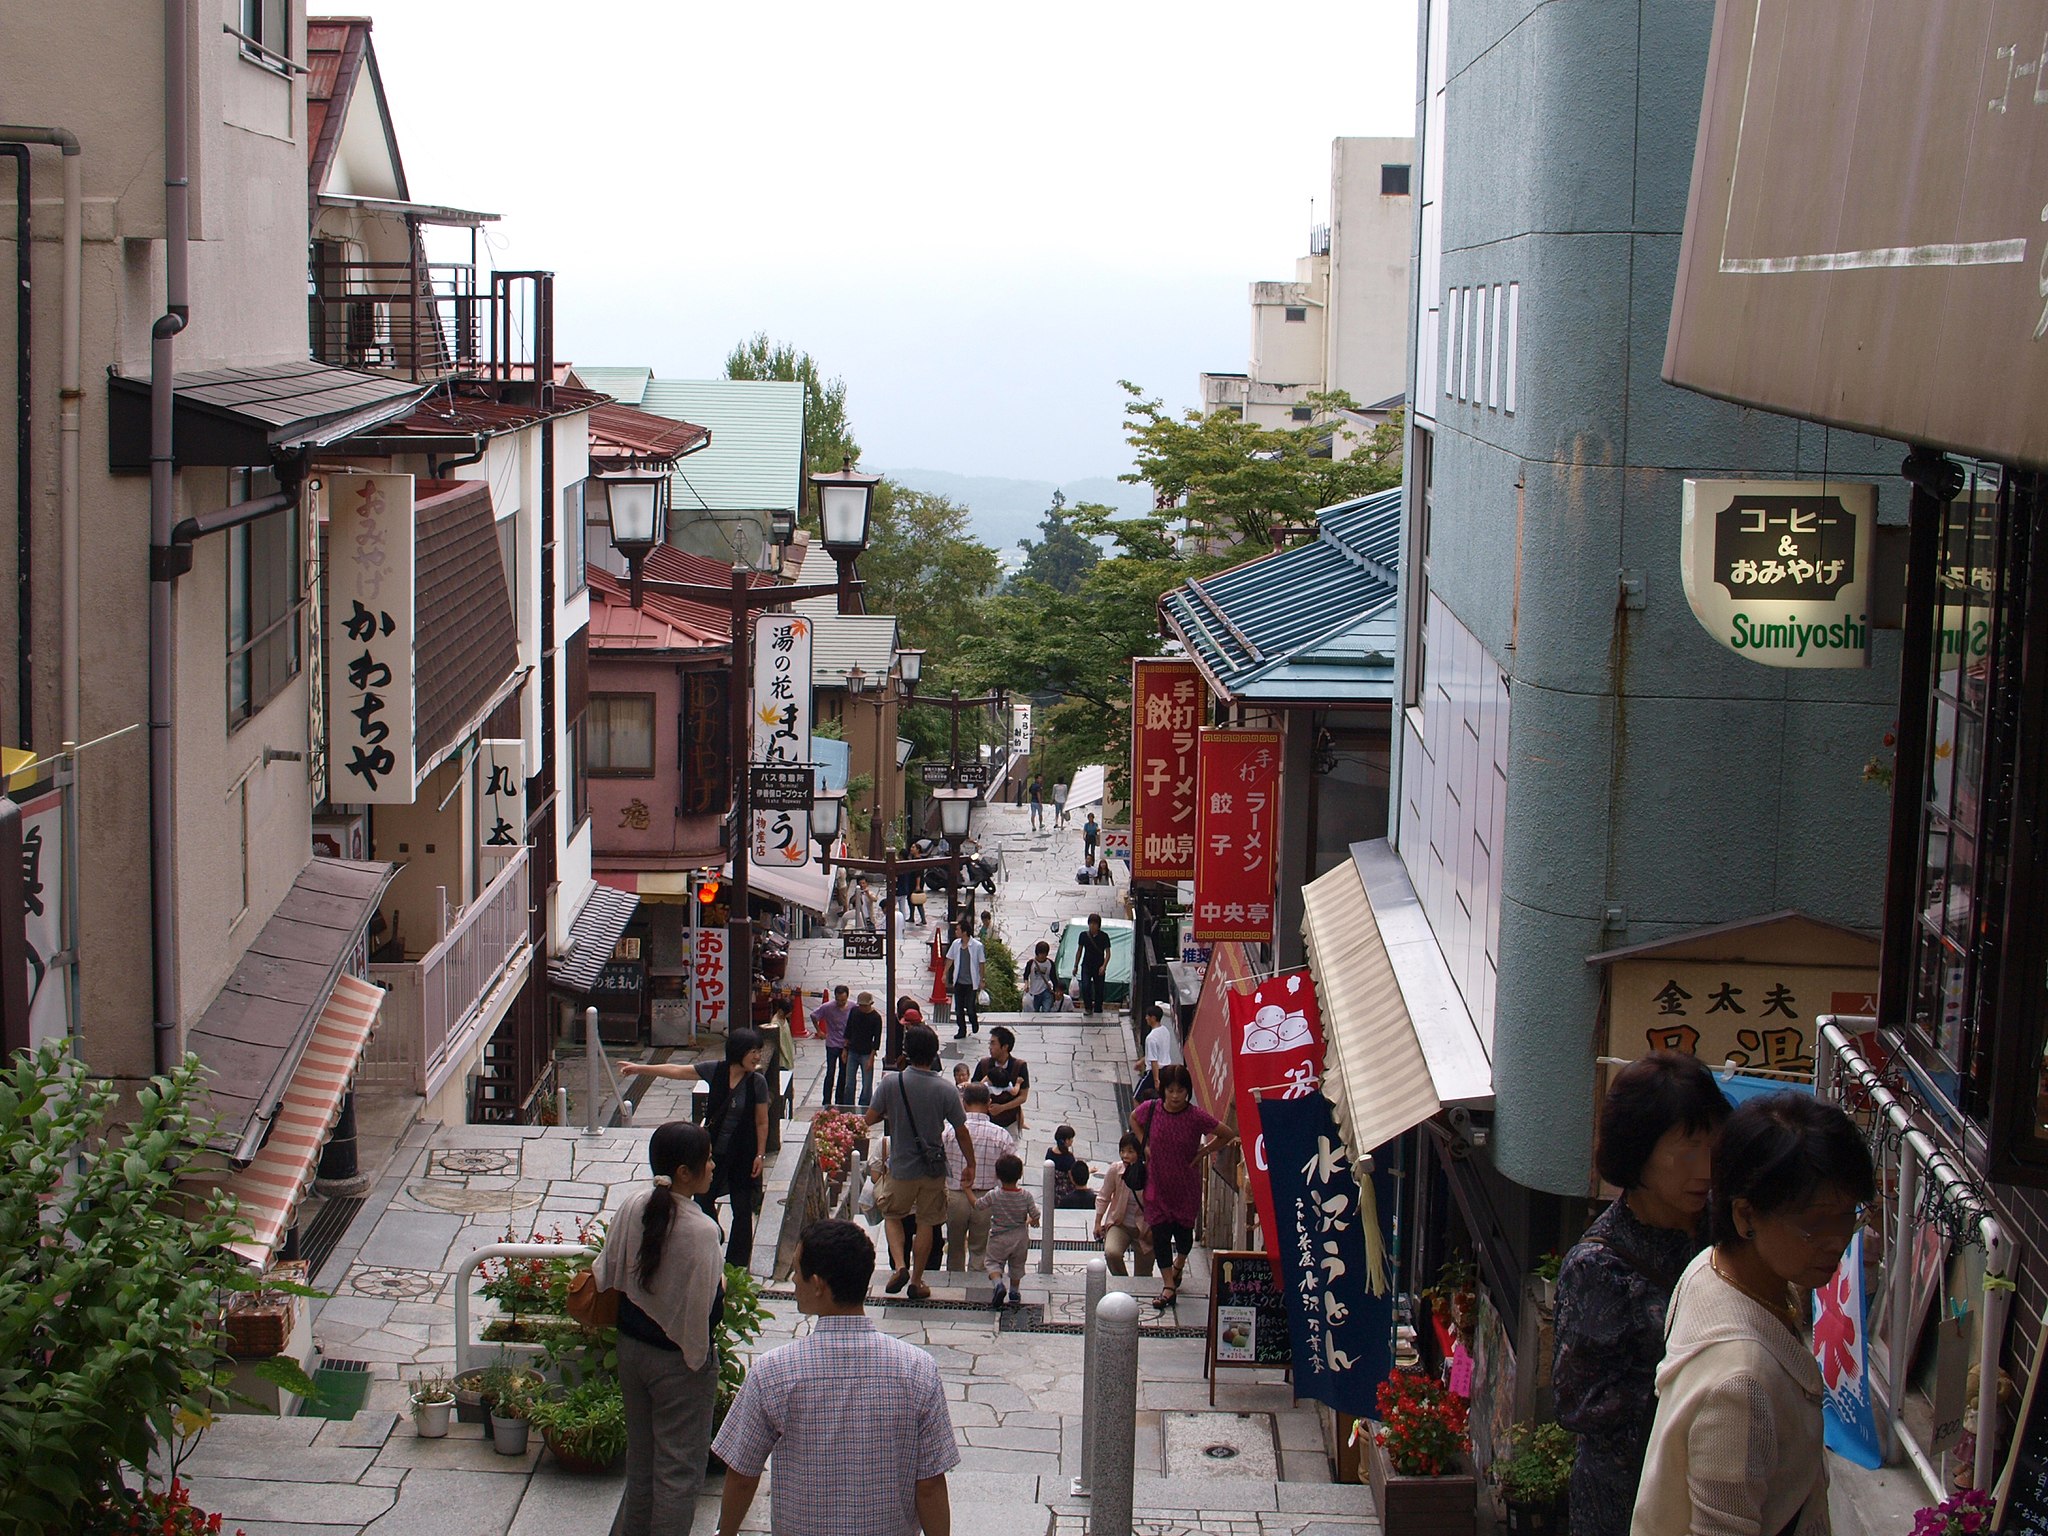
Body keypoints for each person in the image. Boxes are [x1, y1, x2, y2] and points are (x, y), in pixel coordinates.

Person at [1631, 1093, 1875, 1536]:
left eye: (1847, 1218)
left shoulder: (1712, 1269)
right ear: (1746, 1214)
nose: (1836, 1241)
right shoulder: (1742, 1386)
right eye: (1815, 1223)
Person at [1551, 1052, 1729, 1536]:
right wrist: (1694, 1386)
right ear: (1639, 1153)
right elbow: (1577, 1403)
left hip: (1714, 1483)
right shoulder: (1598, 1268)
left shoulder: (1724, 1228)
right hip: (1626, 1501)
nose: (1705, 1168)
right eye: (1687, 1150)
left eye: (1713, 1146)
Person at [713, 1220, 958, 1536]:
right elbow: (930, 1484)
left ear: (817, 1284)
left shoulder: (773, 1372)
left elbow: (743, 1474)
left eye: (797, 1271)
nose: (794, 1279)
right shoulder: (917, 1370)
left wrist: (726, 1532)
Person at [593, 1121, 725, 1535]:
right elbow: (708, 1311)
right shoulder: (702, 1231)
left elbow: (608, 1271)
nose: (713, 1166)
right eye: (707, 1160)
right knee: (678, 1473)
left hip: (631, 1349)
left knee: (642, 1464)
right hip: (678, 1364)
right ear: (685, 1172)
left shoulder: (634, 1204)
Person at [617, 1032, 772, 1270]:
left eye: (759, 1051)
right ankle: (713, 1237)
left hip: (743, 1154)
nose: (757, 1056)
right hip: (712, 1153)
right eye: (753, 1051)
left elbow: (762, 1121)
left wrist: (760, 1155)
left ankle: (736, 1267)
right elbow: (678, 1071)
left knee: (742, 1211)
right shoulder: (716, 1070)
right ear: (739, 1051)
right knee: (703, 1199)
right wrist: (639, 1068)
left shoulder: (757, 1082)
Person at [864, 1024, 974, 1300]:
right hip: (933, 1169)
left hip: (901, 1166)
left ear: (907, 1052)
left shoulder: (891, 1083)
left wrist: (891, 1113)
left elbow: (870, 1118)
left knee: (892, 1215)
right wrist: (970, 1164)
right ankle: (916, 1280)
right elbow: (961, 1130)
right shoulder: (946, 1089)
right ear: (934, 1053)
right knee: (927, 1223)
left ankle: (900, 1265)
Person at [1132, 1064, 1234, 1307]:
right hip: (1157, 1185)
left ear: (1187, 1091)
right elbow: (1134, 1118)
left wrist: (1204, 1152)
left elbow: (1227, 1133)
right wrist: (1144, 1145)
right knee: (1160, 1235)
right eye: (1171, 1090)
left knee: (1184, 1236)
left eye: (1181, 1090)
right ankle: (1168, 1285)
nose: (1176, 1096)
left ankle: (1179, 1264)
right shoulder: (1152, 1109)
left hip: (1185, 1187)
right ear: (1163, 1090)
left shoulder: (1196, 1116)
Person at [945, 1083, 1018, 1275]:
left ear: (964, 1103)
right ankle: (976, 1282)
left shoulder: (949, 1132)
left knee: (954, 1246)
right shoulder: (1001, 1135)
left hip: (955, 1195)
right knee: (981, 1249)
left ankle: (954, 1282)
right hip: (987, 1197)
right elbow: (1011, 1171)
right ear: (989, 1103)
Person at [978, 1153, 1039, 1309]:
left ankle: (998, 1284)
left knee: (992, 1262)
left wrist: (967, 1190)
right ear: (1020, 1174)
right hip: (1020, 1237)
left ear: (998, 1175)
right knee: (1017, 1265)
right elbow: (1035, 1214)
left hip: (998, 1237)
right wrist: (1033, 1221)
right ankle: (1014, 1292)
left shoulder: (994, 1195)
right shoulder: (1026, 1196)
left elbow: (979, 1205)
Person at [1095, 1133, 1155, 1277]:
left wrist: (1155, 1229)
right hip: (1120, 1223)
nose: (1125, 1156)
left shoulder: (1152, 1174)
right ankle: (1122, 1281)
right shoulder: (1116, 1170)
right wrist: (1098, 1222)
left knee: (1143, 1275)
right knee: (1112, 1253)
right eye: (1122, 1151)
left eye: (1130, 1151)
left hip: (1145, 1228)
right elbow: (1104, 1196)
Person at [973, 1026, 1030, 1133]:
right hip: (985, 1122)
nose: (990, 1047)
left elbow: (1023, 1097)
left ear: (1005, 1047)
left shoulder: (1019, 1066)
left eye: (993, 1043)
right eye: (990, 1043)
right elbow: (974, 1091)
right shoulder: (984, 1064)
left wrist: (1002, 1107)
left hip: (1010, 1122)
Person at [812, 984, 854, 1106]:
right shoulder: (828, 1007)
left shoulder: (853, 1006)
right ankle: (826, 1100)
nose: (840, 1003)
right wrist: (819, 1031)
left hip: (845, 1045)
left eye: (843, 1000)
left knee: (843, 1073)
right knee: (830, 1072)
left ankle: (839, 1100)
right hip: (832, 1044)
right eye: (838, 1000)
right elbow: (814, 1015)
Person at [945, 916, 985, 1039]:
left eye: (958, 929)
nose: (956, 931)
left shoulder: (977, 946)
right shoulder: (955, 944)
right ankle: (961, 1030)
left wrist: (982, 979)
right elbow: (950, 959)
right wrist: (944, 973)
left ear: (964, 932)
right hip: (959, 981)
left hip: (971, 982)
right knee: (958, 1008)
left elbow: (981, 963)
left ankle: (973, 1021)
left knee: (970, 1007)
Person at [845, 991, 884, 1108]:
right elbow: (848, 1030)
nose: (862, 1008)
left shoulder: (876, 1017)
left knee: (867, 1084)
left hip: (866, 1053)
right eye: (861, 1005)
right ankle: (848, 1106)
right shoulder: (854, 1011)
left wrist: (872, 1057)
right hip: (853, 1050)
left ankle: (864, 1106)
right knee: (849, 1083)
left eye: (865, 1006)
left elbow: (877, 1039)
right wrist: (845, 1049)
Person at [1077, 912, 1113, 1016]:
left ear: (1098, 925)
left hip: (1099, 965)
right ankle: (1088, 1007)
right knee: (1085, 986)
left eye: (1095, 924)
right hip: (1086, 965)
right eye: (1091, 923)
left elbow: (1108, 953)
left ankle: (1098, 1008)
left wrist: (1104, 966)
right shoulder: (1083, 935)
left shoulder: (1104, 936)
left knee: (1099, 988)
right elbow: (1079, 950)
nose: (1092, 926)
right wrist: (1075, 965)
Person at [1022, 940, 1057, 1013]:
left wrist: (1055, 991)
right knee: (1035, 1012)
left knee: (1046, 1010)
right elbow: (1026, 975)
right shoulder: (1031, 963)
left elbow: (1054, 978)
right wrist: (1026, 984)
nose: (1042, 956)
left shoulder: (1050, 963)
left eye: (1044, 954)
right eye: (1040, 953)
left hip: (1046, 991)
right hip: (1034, 992)